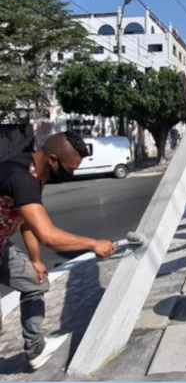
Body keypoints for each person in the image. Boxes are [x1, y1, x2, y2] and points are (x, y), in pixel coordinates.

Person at [0, 131, 116, 370]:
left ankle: (36, 351)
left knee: (35, 282)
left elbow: (28, 222)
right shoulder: (21, 176)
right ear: (53, 159)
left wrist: (35, 259)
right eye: (69, 169)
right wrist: (93, 243)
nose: (71, 174)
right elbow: (48, 235)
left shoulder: (37, 174)